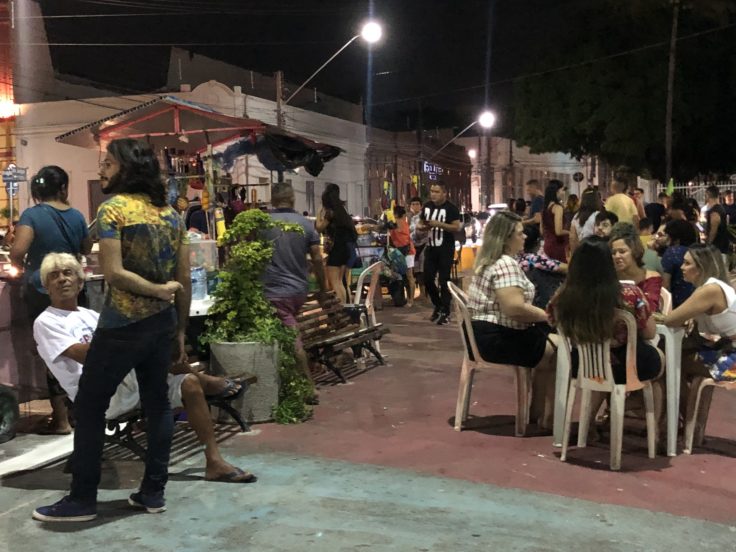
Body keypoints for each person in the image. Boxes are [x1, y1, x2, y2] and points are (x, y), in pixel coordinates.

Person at [34, 138, 190, 522]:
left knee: (88, 406)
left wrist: (154, 290)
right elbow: (182, 277)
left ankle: (81, 500)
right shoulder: (170, 214)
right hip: (161, 323)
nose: (101, 170)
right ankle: (153, 492)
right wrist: (180, 328)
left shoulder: (113, 210)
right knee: (157, 405)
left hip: (123, 324)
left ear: (126, 167)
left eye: (107, 163)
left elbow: (116, 273)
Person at [33, 253, 255, 485]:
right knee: (156, 349)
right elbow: (89, 356)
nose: (62, 279)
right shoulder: (47, 322)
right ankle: (210, 382)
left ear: (80, 283)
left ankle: (214, 462)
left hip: (128, 380)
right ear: (46, 286)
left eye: (68, 273)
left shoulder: (91, 315)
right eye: (54, 276)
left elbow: (115, 344)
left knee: (187, 380)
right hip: (100, 396)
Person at [10, 166, 92, 435]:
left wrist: (24, 266)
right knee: (79, 344)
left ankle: (61, 420)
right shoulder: (77, 215)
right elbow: (86, 248)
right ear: (63, 188)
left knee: (51, 352)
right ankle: (82, 410)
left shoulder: (32, 215)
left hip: (41, 288)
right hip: (73, 286)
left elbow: (18, 250)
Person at [548, 237, 663, 428]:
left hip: (582, 365)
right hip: (627, 367)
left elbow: (553, 320)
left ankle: (588, 424)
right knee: (659, 365)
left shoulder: (563, 296)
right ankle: (657, 430)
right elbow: (650, 332)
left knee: (602, 363)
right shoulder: (629, 293)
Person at [467, 210, 558, 428]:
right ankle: (548, 417)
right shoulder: (505, 263)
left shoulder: (488, 261)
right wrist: (549, 317)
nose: (525, 236)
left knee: (551, 346)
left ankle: (538, 413)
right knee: (560, 352)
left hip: (480, 336)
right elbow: (514, 308)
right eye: (520, 233)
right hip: (499, 338)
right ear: (506, 237)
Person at [662, 244, 736, 439]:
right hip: (726, 350)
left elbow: (671, 319)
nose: (682, 268)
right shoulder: (714, 286)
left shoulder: (709, 289)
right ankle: (688, 422)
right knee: (677, 360)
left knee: (669, 364)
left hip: (733, 361)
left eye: (687, 263)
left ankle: (688, 423)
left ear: (701, 267)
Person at [264, 182, 328, 383]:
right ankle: (289, 380)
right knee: (287, 334)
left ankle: (309, 386)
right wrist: (323, 288)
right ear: (292, 199)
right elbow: (317, 259)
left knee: (292, 339)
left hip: (273, 293)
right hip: (298, 291)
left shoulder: (262, 224)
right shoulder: (305, 224)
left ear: (272, 201)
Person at [419, 182, 461, 326]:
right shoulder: (427, 206)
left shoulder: (451, 208)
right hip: (430, 247)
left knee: (444, 281)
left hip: (445, 248)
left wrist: (440, 224)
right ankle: (438, 305)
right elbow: (420, 223)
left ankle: (446, 312)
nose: (433, 194)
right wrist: (422, 226)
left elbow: (456, 227)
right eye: (432, 191)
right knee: (428, 279)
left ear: (444, 193)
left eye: (437, 192)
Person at [315, 183, 357, 304]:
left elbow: (319, 228)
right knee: (342, 282)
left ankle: (342, 310)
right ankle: (347, 309)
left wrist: (319, 213)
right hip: (347, 250)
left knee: (335, 283)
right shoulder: (342, 210)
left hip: (336, 250)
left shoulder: (330, 212)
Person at [609, 222, 662, 313]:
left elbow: (650, 311)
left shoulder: (651, 278)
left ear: (634, 251)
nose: (617, 256)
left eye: (622, 251)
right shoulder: (610, 277)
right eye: (613, 253)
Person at [660, 219, 698, 308]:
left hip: (677, 304)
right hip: (696, 301)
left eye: (667, 236)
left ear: (675, 239)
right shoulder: (697, 252)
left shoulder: (672, 252)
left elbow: (665, 285)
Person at [389, 205, 416, 307]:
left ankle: (410, 300)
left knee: (408, 276)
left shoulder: (399, 223)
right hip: (400, 253)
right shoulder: (400, 223)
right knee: (407, 276)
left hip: (407, 252)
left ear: (395, 214)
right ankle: (406, 299)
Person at [540, 179, 569, 262]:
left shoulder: (544, 208)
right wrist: (570, 232)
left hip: (547, 245)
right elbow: (558, 231)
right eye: (562, 190)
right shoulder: (558, 208)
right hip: (558, 246)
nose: (563, 193)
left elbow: (541, 231)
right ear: (557, 191)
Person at [569, 188, 602, 253]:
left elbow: (572, 238)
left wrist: (574, 256)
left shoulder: (576, 216)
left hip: (581, 253)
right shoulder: (599, 216)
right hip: (596, 253)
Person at [409, 196, 429, 302]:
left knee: (423, 270)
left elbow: (422, 232)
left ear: (421, 206)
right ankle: (422, 293)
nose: (415, 206)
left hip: (424, 245)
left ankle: (426, 294)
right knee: (417, 271)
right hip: (415, 247)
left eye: (417, 204)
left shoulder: (423, 216)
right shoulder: (412, 218)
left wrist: (414, 233)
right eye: (413, 204)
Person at [704, 185, 730, 260]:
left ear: (707, 195)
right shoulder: (720, 208)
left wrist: (708, 244)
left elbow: (713, 230)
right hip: (721, 247)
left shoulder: (715, 211)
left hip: (717, 248)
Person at [521, 179, 544, 251]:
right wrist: (526, 218)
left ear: (534, 188)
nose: (527, 193)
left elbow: (537, 219)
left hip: (533, 234)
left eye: (528, 190)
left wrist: (522, 223)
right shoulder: (542, 199)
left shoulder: (538, 200)